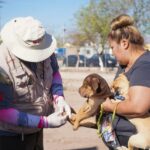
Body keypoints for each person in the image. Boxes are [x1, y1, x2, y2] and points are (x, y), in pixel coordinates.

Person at [0, 16, 71, 150]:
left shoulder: (46, 49)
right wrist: (46, 122)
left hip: (36, 130)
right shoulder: (2, 63)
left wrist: (59, 97)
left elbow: (55, 72)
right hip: (10, 135)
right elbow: (3, 112)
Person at [99, 14, 150, 149]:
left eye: (112, 48)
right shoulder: (124, 65)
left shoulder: (144, 65)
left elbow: (138, 107)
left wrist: (109, 107)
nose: (112, 53)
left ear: (124, 44)